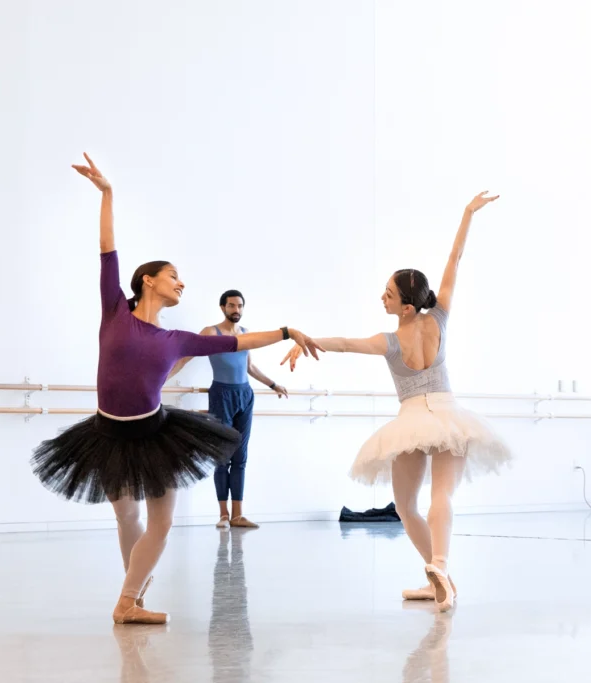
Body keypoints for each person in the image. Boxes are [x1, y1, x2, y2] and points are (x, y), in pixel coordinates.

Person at [31, 154, 321, 625]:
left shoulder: (178, 339)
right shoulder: (114, 313)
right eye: (173, 276)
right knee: (127, 520)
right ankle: (134, 596)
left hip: (156, 434)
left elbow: (240, 340)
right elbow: (107, 251)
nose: (181, 283)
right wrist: (107, 194)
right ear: (148, 281)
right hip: (107, 435)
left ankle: (127, 602)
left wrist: (287, 330)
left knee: (161, 525)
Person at [281, 192, 512, 612]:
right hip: (448, 414)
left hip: (411, 420)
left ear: (406, 307)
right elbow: (454, 261)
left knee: (407, 506)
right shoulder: (438, 318)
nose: (381, 298)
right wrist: (467, 214)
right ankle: (438, 570)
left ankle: (438, 570)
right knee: (441, 495)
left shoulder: (390, 340)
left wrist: (307, 341)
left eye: (387, 295)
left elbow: (346, 344)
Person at [167, 290, 289, 529]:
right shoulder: (210, 333)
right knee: (222, 456)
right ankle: (223, 515)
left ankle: (238, 515)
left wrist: (273, 384)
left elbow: (250, 366)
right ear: (222, 307)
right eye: (232, 305)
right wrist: (162, 379)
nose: (237, 310)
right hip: (221, 395)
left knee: (240, 457)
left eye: (240, 306)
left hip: (245, 394)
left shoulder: (245, 335)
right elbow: (186, 357)